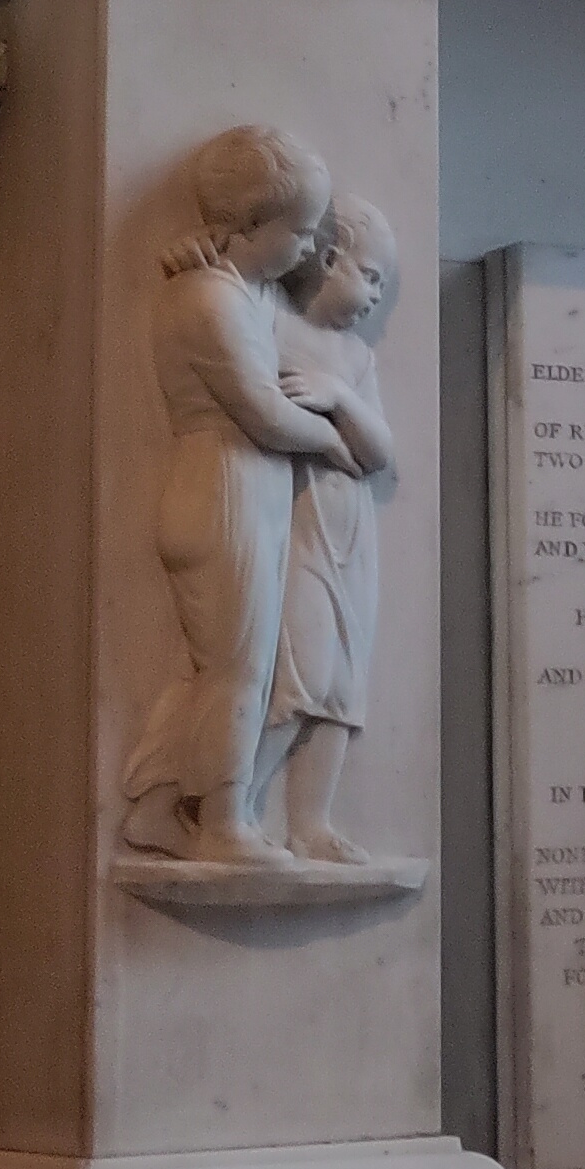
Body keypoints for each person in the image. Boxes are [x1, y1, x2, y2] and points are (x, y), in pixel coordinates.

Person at [123, 125, 358, 867]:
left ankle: (159, 806)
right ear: (251, 225)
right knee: (239, 669)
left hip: (240, 488)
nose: (308, 248)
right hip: (221, 487)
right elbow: (262, 411)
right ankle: (224, 820)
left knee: (219, 666)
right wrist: (331, 441)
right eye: (299, 231)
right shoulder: (209, 303)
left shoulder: (235, 288)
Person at [267, 195, 399, 865]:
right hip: (295, 526)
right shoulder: (270, 322)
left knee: (342, 684)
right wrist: (335, 443)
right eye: (370, 275)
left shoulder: (354, 359)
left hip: (352, 538)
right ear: (327, 258)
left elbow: (378, 453)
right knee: (297, 672)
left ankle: (310, 824)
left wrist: (343, 399)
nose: (375, 295)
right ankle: (236, 806)